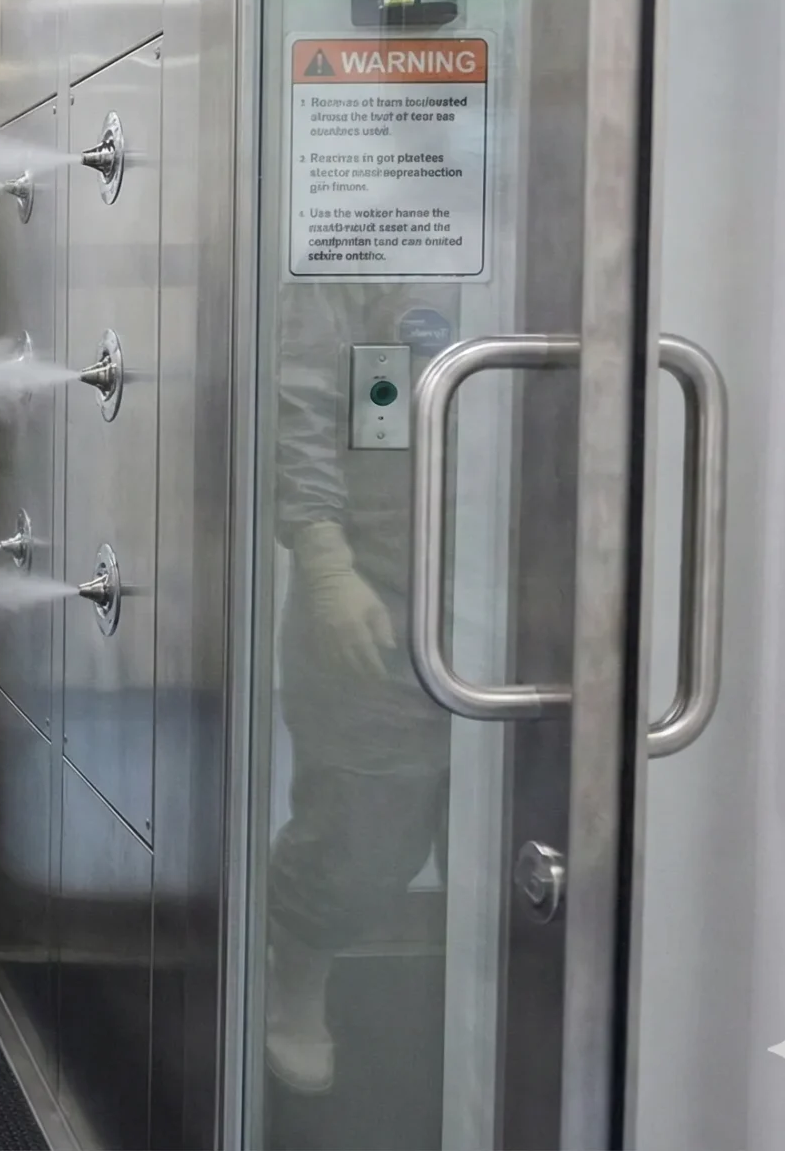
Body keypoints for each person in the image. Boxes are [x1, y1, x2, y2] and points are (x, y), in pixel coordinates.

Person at [263, 278, 462, 1098]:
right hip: (382, 578)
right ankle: (294, 984)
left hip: (521, 572)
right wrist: (325, 560)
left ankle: (484, 1012)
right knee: (362, 835)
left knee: (522, 832)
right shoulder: (355, 230)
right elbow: (300, 403)